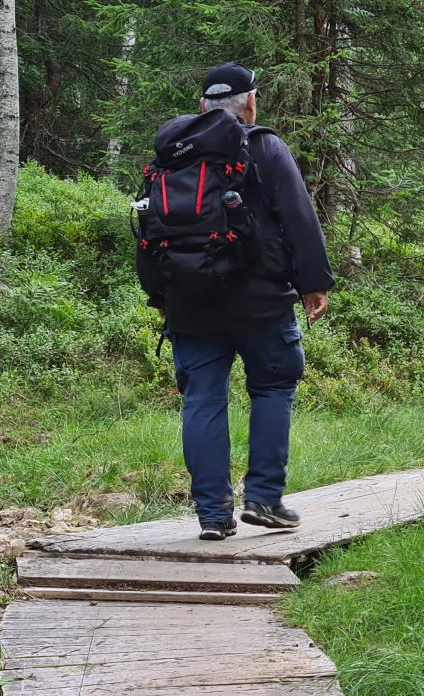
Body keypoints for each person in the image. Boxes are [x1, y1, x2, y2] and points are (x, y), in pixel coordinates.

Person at [154, 63, 334, 541]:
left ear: (202, 108)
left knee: (203, 401)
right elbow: (298, 217)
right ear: (250, 103)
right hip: (261, 300)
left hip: (189, 301)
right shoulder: (265, 146)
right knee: (273, 388)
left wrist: (160, 297)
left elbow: (150, 232)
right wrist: (314, 282)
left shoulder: (174, 157)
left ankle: (213, 515)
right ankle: (264, 499)